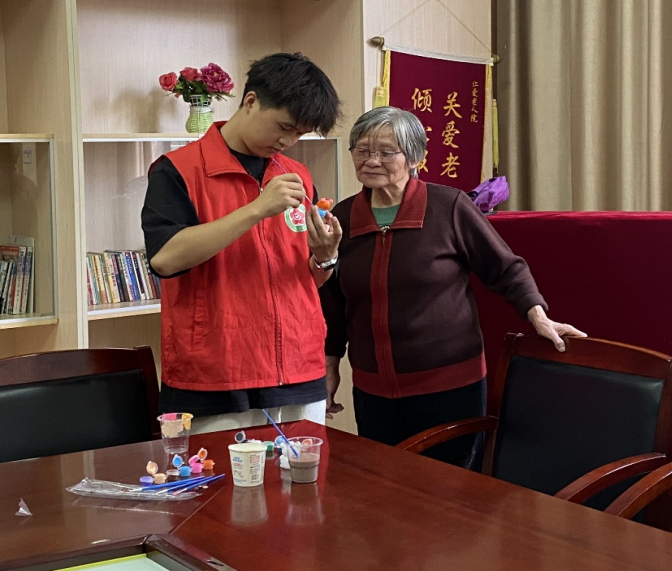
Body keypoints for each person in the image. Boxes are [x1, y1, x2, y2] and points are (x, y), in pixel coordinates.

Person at [321, 106, 586, 468]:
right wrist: (330, 362)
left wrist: (538, 316)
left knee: (451, 490)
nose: (371, 160)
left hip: (448, 387)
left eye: (385, 151)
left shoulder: (449, 207)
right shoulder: (343, 217)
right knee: (385, 485)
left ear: (415, 157)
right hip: (373, 389)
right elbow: (334, 301)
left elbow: (505, 268)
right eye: (362, 150)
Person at [142, 52, 343, 435]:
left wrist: (325, 257)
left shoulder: (297, 174)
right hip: (217, 375)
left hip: (299, 368)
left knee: (305, 474)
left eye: (300, 134)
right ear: (250, 101)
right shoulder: (178, 170)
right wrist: (256, 209)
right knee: (220, 476)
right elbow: (166, 259)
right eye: (284, 127)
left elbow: (305, 278)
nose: (288, 141)